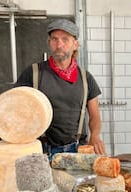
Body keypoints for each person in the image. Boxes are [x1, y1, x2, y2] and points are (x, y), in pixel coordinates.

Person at [15, 19, 106, 158]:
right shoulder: (33, 73)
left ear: (75, 44)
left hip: (77, 151)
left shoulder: (86, 78)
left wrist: (95, 136)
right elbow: (15, 108)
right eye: (54, 39)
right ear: (49, 43)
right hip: (40, 151)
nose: (59, 45)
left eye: (65, 39)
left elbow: (95, 116)